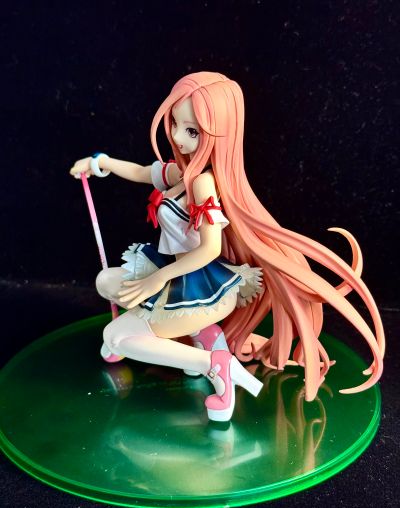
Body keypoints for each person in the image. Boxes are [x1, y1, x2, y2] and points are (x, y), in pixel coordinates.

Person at [70, 71, 384, 422]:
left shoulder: (204, 184)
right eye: (175, 124)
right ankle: (203, 334)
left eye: (192, 131)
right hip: (173, 271)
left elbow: (209, 248)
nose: (177, 137)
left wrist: (158, 279)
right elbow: (143, 172)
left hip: (197, 284)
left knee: (116, 336)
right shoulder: (181, 174)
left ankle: (214, 364)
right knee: (106, 282)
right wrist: (99, 164)